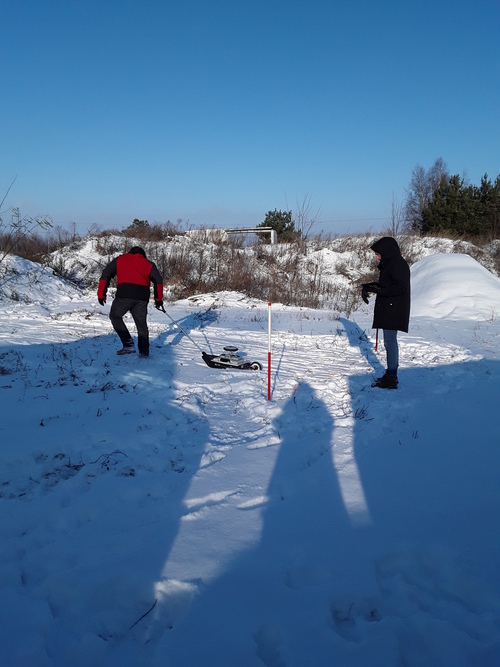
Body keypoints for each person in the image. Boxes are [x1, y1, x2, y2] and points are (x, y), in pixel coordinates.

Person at [361, 237, 410, 389]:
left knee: (390, 342)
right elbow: (386, 284)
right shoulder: (389, 264)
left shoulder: (398, 265)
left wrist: (381, 290)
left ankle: (391, 377)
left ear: (387, 252)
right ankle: (391, 374)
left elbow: (401, 287)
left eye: (378, 253)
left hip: (394, 308)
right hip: (389, 306)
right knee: (389, 341)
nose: (376, 256)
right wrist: (369, 287)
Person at [97, 246, 163, 357]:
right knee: (141, 325)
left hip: (124, 294)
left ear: (130, 252)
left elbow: (106, 274)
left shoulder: (121, 259)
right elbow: (159, 281)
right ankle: (144, 353)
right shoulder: (148, 263)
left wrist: (101, 294)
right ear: (143, 255)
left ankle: (128, 344)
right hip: (142, 297)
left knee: (115, 316)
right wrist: (158, 300)